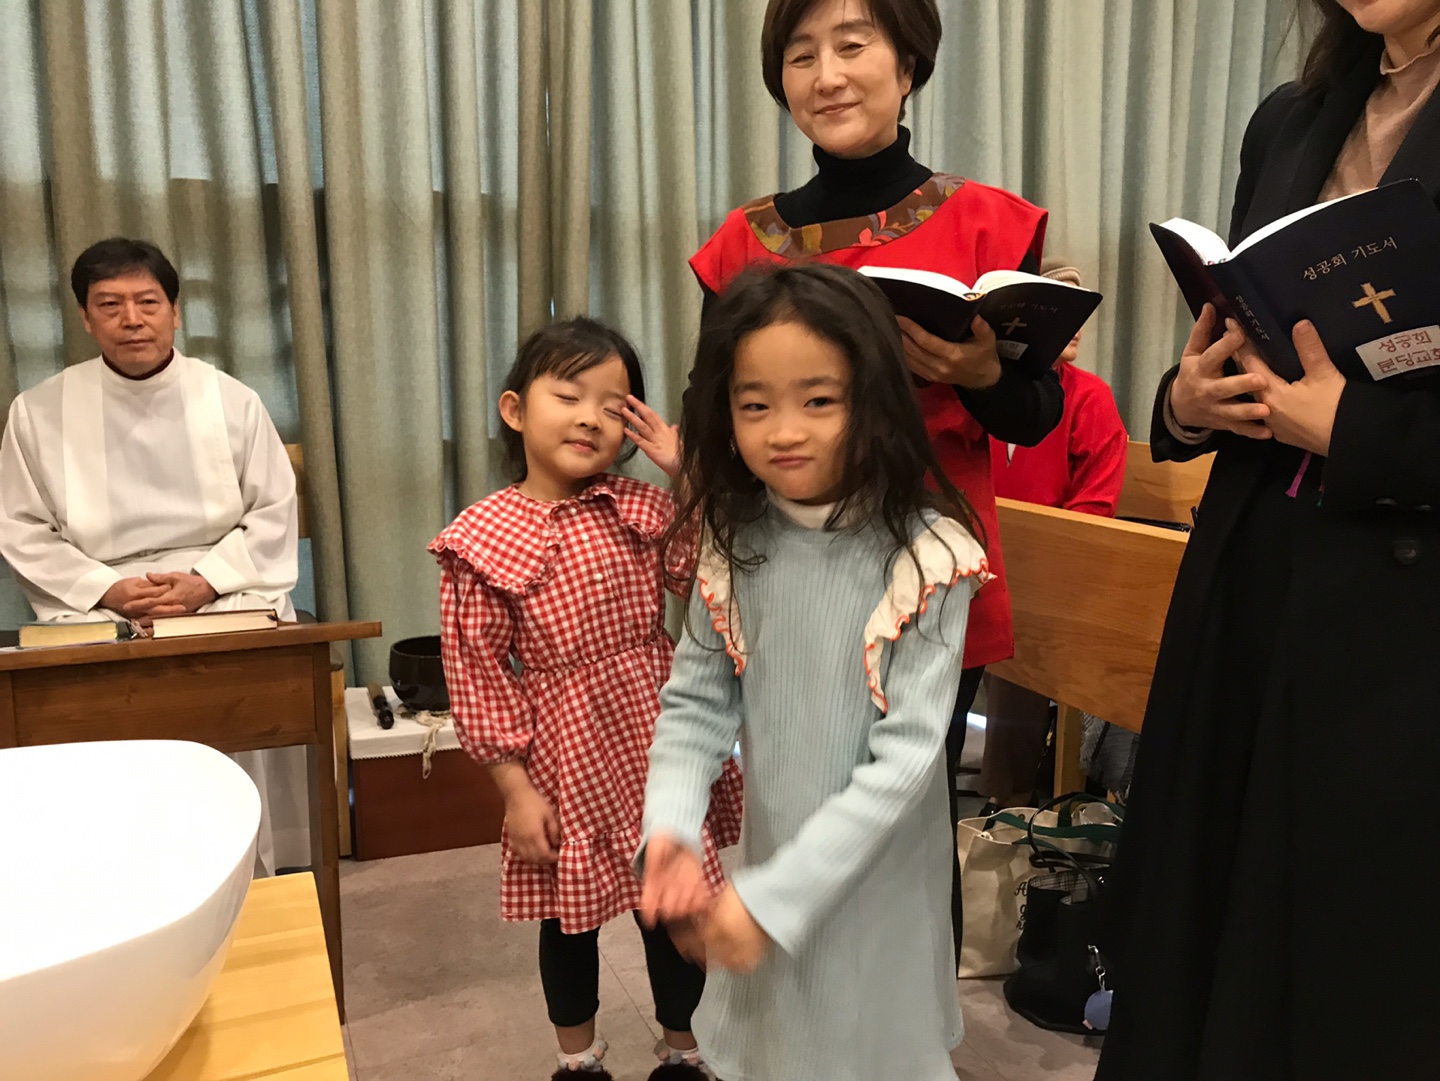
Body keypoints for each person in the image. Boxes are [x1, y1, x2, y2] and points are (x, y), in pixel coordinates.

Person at [1098, 4, 1440, 1078]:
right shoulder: (1292, 117)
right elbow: (1249, 320)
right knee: (1201, 923)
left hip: (1397, 617)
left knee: (1340, 962)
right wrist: (1188, 399)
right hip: (1250, 573)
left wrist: (1359, 431)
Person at [689, 0, 1061, 968]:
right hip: (784, 564)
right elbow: (714, 412)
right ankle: (801, 1010)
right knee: (792, 793)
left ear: (908, 65)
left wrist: (978, 374)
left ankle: (913, 1027)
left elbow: (1034, 414)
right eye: (801, 55)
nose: (827, 75)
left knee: (907, 812)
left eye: (853, 46)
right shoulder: (743, 242)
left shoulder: (987, 223)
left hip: (927, 574)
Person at [640, 263, 988, 1081]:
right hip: (772, 862)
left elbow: (905, 762)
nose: (783, 430)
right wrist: (671, 829)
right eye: (754, 404)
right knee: (778, 1047)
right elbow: (695, 704)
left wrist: (773, 899)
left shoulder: (931, 558)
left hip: (875, 881)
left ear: (875, 400)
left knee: (865, 1051)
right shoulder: (734, 538)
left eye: (819, 400)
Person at [429, 318, 742, 1081]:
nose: (589, 418)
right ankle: (578, 1061)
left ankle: (684, 1052)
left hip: (654, 730)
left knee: (670, 901)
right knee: (566, 919)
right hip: (561, 754)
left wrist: (687, 475)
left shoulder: (641, 506)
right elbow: (476, 671)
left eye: (612, 405)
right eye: (568, 396)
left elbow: (708, 577)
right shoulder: (482, 536)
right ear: (515, 409)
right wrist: (514, 788)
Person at [0, 236, 308, 874]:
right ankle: (119, 875)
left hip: (221, 585)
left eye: (147, 302)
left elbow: (273, 511)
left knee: (250, 667)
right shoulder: (38, 412)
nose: (131, 319)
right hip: (95, 592)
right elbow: (21, 526)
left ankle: (254, 870)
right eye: (109, 304)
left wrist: (204, 581)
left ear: (175, 311)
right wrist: (106, 589)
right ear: (85, 317)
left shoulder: (232, 400)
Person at [980, 265, 1128, 811]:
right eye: (1059, 314)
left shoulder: (1090, 397)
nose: (1076, 328)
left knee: (1022, 636)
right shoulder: (970, 393)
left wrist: (1032, 566)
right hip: (968, 560)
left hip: (1048, 576)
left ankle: (1005, 804)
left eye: (1079, 314)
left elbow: (1095, 507)